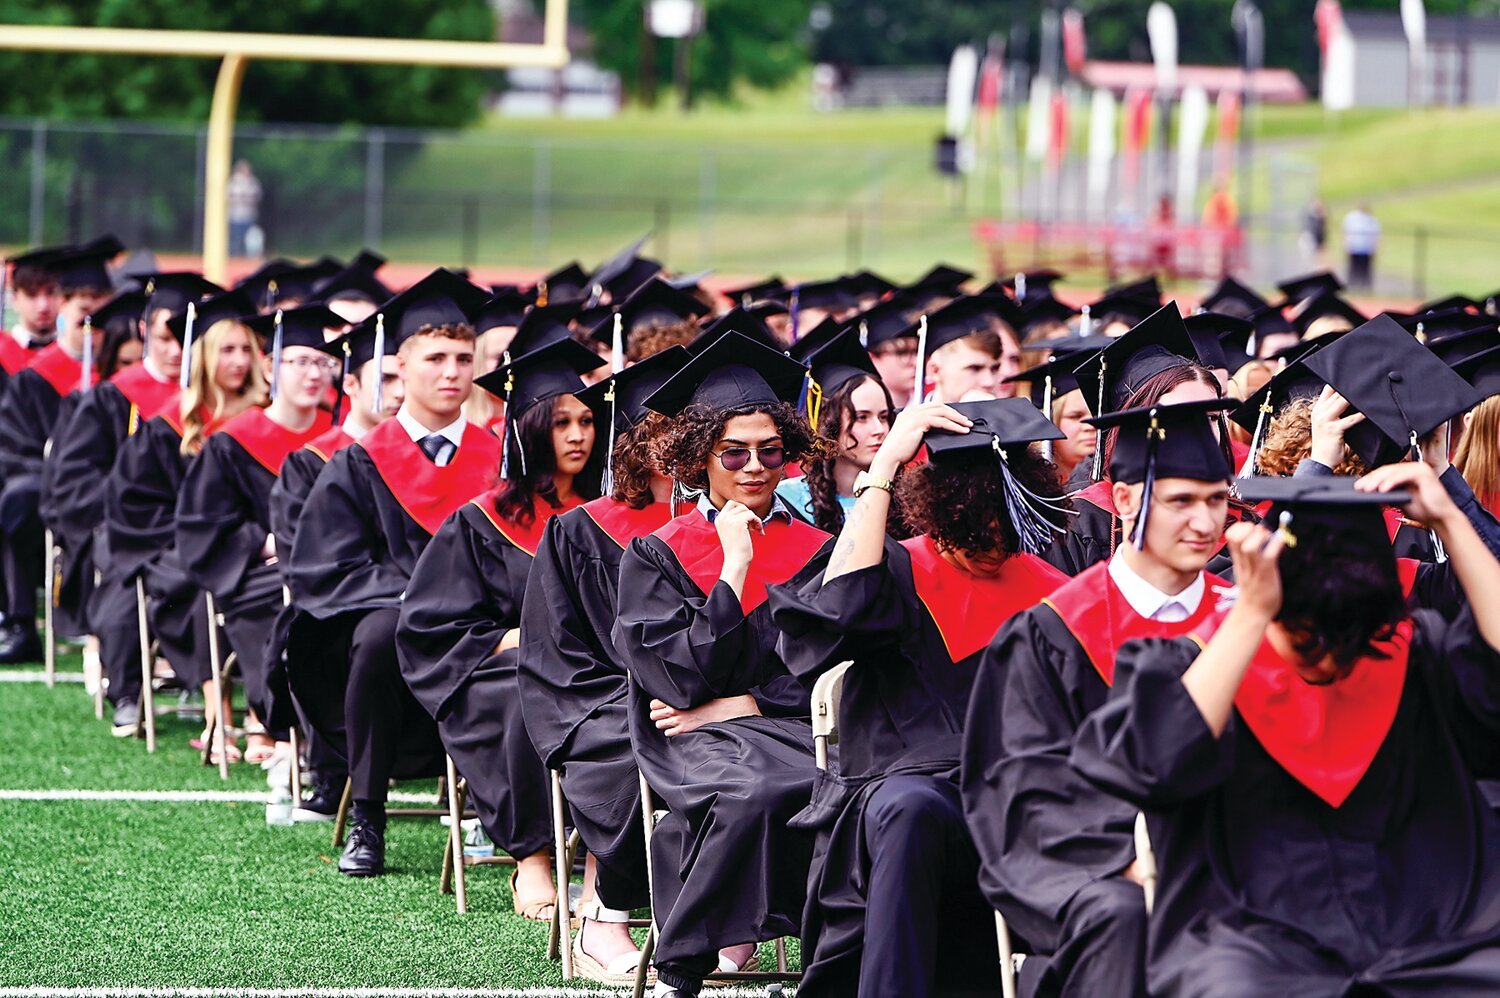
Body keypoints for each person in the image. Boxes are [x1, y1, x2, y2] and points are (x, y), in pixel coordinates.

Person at [1072, 468, 1500, 996]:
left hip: (1426, 928)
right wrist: (1251, 610)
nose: (1327, 658)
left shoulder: (1417, 657)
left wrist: (1453, 520)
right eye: (1304, 635)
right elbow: (1150, 762)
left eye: (1347, 639)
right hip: (1255, 940)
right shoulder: (1199, 667)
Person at [769, 397, 1068, 997]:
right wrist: (885, 467)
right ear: (942, 512)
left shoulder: (1052, 591)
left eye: (1003, 530)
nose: (989, 545)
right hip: (909, 792)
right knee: (911, 810)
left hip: (1018, 794)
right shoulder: (898, 570)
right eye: (972, 528)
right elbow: (836, 610)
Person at [963, 398, 1237, 998]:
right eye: (1181, 501)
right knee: (1126, 911)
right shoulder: (1054, 629)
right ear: (1124, 500)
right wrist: (1133, 860)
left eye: (1217, 499)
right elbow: (1025, 785)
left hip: (1239, 850)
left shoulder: (1242, 617)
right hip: (1097, 865)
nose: (1204, 523)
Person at [612, 331, 834, 998]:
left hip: (793, 727)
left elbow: (833, 659)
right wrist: (733, 568)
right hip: (692, 736)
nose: (754, 467)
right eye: (733, 452)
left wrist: (754, 703)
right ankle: (683, 963)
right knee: (750, 792)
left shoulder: (821, 550)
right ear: (698, 458)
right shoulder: (657, 553)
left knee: (845, 794)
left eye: (771, 451)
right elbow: (678, 680)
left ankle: (825, 961)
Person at [288, 269, 499, 878]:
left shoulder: (500, 459)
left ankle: (501, 809)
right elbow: (329, 564)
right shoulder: (359, 461)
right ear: (400, 366)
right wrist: (422, 599)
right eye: (435, 357)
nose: (453, 371)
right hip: (386, 614)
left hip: (482, 619)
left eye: (464, 357)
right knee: (382, 638)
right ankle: (368, 818)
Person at [397, 336, 605, 920]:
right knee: (524, 691)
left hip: (595, 670)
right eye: (561, 422)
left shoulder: (608, 517)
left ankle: (604, 863)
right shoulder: (481, 520)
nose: (578, 435)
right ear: (530, 429)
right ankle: (533, 859)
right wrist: (508, 638)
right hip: (499, 670)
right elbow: (431, 623)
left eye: (587, 420)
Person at [518, 346, 691, 983]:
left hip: (709, 706)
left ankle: (722, 915)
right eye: (662, 428)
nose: (676, 443)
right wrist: (641, 699)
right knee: (636, 743)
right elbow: (555, 652)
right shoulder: (581, 531)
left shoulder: (730, 530)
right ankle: (602, 915)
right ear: (634, 440)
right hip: (599, 702)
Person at [175, 306, 337, 764]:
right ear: (270, 367)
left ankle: (323, 731)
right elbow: (204, 522)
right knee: (272, 598)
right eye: (299, 361)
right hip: (255, 571)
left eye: (322, 363)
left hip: (329, 569)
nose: (313, 374)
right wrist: (267, 543)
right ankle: (277, 721)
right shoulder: (233, 441)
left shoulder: (342, 441)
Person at [103, 289, 260, 745]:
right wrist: (195, 536)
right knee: (197, 583)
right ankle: (219, 714)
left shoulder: (265, 421)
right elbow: (134, 503)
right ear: (204, 356)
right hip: (174, 547)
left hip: (251, 548)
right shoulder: (171, 425)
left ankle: (265, 719)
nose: (237, 361)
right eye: (226, 349)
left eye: (246, 349)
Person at [268, 317, 404, 820]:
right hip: (343, 599)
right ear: (348, 383)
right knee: (330, 630)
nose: (395, 391)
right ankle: (332, 771)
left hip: (411, 603)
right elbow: (306, 554)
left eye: (400, 377)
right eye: (383, 378)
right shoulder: (315, 461)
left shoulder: (435, 459)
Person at [41, 286, 183, 717]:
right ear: (143, 332)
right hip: (125, 524)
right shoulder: (112, 398)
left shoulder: (214, 402)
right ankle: (126, 682)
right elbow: (74, 483)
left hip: (192, 527)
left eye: (185, 339)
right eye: (164, 338)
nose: (176, 351)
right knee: (128, 562)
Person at [0, 238, 121, 663]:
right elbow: (14, 445)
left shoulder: (120, 370)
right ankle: (19, 618)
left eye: (97, 300)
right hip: (47, 482)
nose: (87, 309)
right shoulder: (36, 376)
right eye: (79, 299)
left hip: (110, 484)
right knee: (18, 498)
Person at [776, 329, 893, 532]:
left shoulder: (903, 501)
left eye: (883, 417)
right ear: (828, 423)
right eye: (861, 417)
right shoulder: (788, 501)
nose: (879, 429)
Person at [911, 295, 1022, 405]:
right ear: (935, 370)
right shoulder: (908, 421)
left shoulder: (1017, 421)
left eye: (995, 368)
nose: (990, 382)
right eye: (975, 369)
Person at [227, 160, 263, 258]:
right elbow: (230, 197)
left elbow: (256, 197)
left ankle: (246, 257)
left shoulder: (253, 182)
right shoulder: (233, 183)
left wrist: (243, 199)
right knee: (235, 237)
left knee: (249, 238)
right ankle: (234, 256)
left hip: (248, 215)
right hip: (235, 215)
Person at [1342, 202, 1380, 291]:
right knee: (1353, 268)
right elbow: (1346, 232)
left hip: (1366, 249)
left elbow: (1376, 235)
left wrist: (1375, 247)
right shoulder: (1352, 218)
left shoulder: (1371, 220)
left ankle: (1365, 288)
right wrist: (1346, 244)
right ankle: (1352, 286)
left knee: (1365, 269)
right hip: (1354, 248)